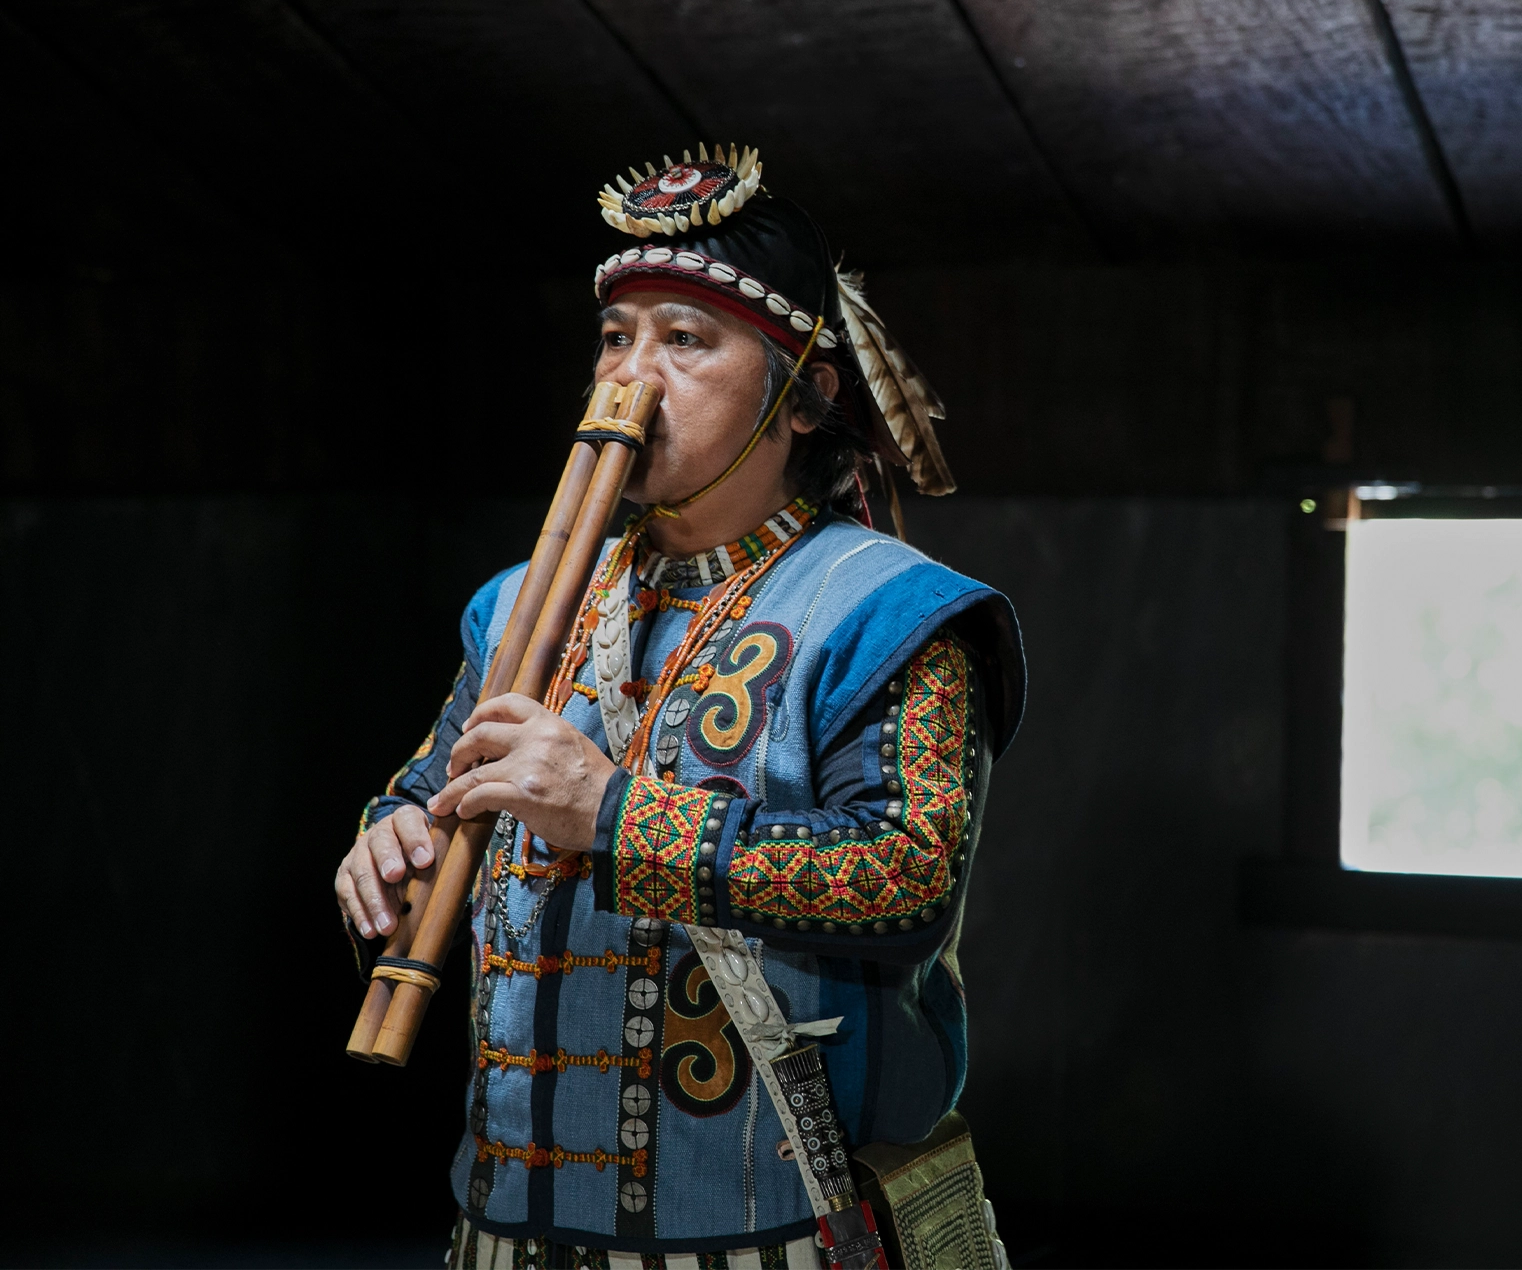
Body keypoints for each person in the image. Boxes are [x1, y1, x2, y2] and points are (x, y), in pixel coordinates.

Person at [333, 144, 1023, 1267]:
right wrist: (387, 838)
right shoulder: (520, 604)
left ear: (806, 397)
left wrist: (612, 812)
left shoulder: (894, 612)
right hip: (505, 1229)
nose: (629, 378)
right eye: (616, 336)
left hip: (775, 1232)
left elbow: (906, 878)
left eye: (685, 339)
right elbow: (426, 783)